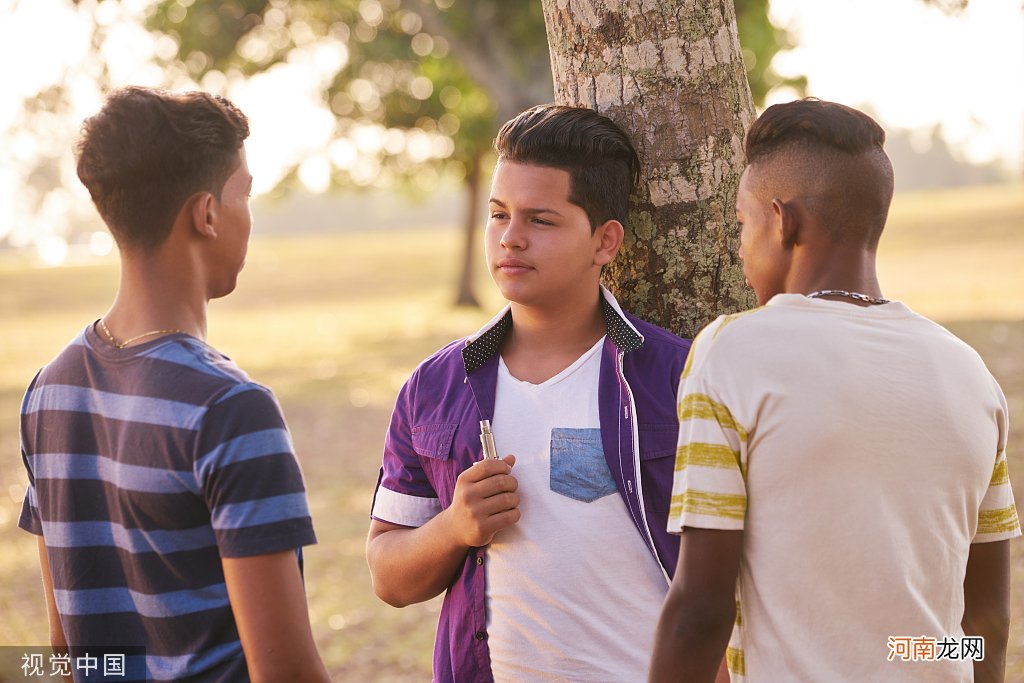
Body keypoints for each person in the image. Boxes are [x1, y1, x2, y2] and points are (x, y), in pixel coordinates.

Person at [648, 98, 1020, 683]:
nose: (739, 248)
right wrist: (899, 657)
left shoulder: (733, 353)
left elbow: (700, 611)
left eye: (743, 224)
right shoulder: (971, 376)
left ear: (782, 220)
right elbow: (988, 623)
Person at [366, 104, 692, 681]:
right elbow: (388, 576)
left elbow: (737, 575)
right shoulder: (437, 387)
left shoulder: (677, 379)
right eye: (498, 215)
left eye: (540, 220)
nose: (510, 239)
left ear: (605, 241)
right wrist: (454, 528)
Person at [18, 87, 330, 682]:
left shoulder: (48, 392)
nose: (249, 216)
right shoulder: (231, 409)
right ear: (206, 214)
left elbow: (63, 654)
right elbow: (285, 671)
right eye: (246, 194)